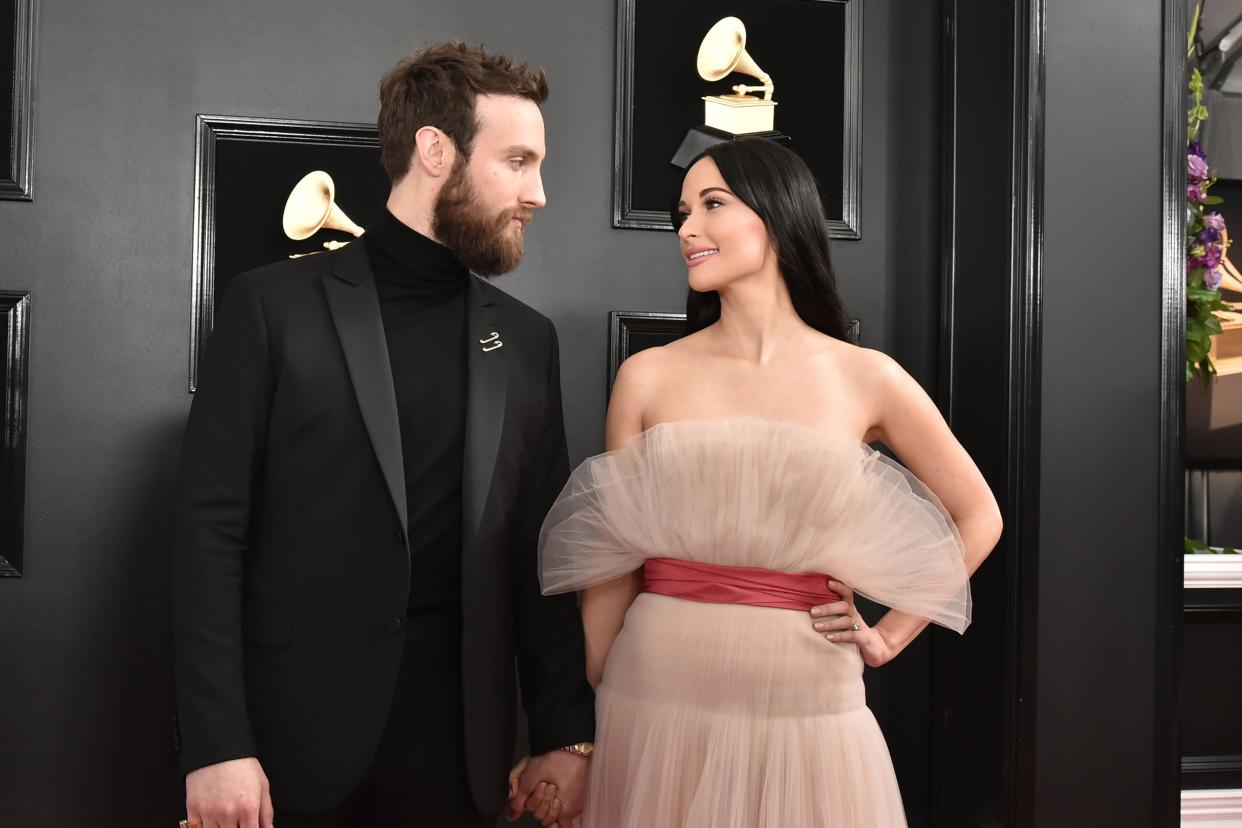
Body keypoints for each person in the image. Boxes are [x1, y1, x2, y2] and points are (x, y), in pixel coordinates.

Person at [172, 42, 594, 828]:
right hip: (288, 749)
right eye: (517, 161)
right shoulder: (272, 306)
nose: (537, 192)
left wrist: (565, 736)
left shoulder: (528, 342)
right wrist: (215, 742)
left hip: (461, 763)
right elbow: (209, 534)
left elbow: (542, 554)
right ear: (436, 151)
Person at [536, 138, 1003, 826]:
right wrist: (593, 725)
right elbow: (613, 561)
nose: (687, 228)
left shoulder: (866, 376)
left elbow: (978, 515)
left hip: (808, 701)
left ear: (780, 214)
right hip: (652, 694)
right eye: (682, 212)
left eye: (713, 204)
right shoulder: (649, 375)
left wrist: (889, 637)